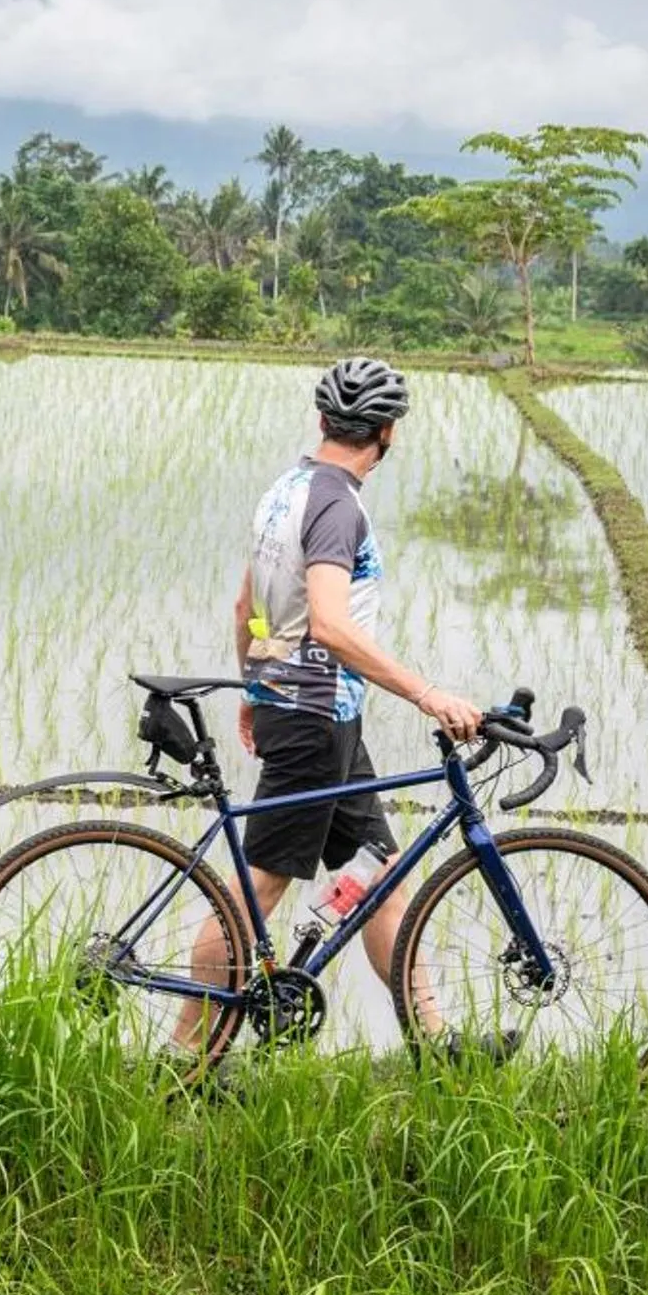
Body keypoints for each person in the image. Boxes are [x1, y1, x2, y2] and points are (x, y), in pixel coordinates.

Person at [180, 356, 482, 1044]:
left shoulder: (285, 490)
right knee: (254, 892)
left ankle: (436, 1045)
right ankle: (184, 1057)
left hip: (316, 716)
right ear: (387, 433)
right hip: (317, 718)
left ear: (323, 422)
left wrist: (256, 686)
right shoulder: (338, 506)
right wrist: (428, 694)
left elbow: (245, 605)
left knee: (381, 871)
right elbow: (330, 625)